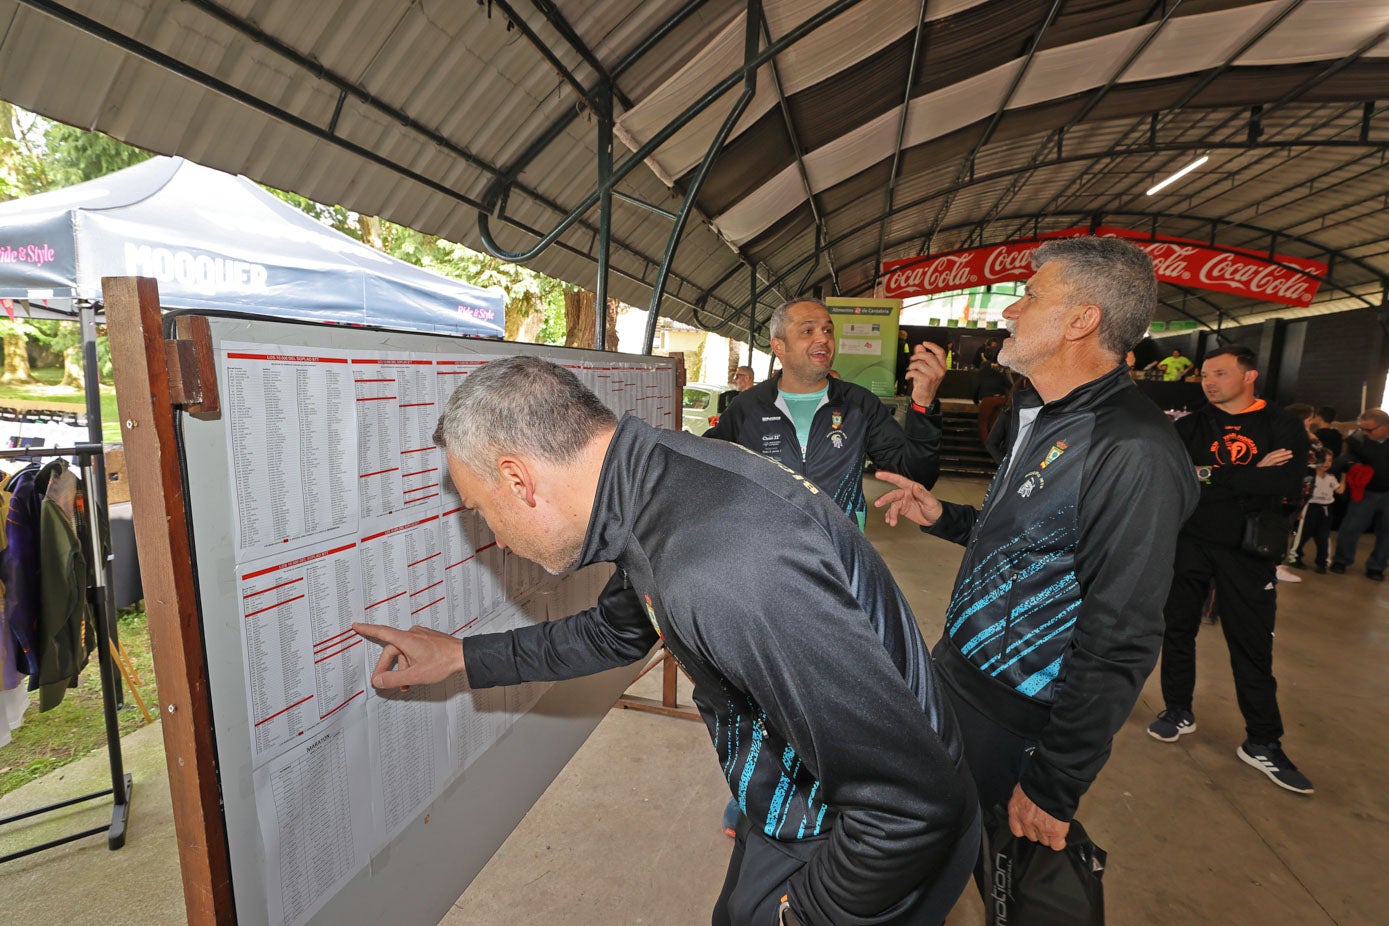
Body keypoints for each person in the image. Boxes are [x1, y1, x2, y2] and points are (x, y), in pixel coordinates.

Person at [354, 356, 979, 926]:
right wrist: (462, 656)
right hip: (797, 805)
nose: (494, 535)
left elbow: (909, 806)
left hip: (859, 840)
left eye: (481, 509)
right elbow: (617, 630)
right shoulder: (657, 487)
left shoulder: (724, 565)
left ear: (518, 479)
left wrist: (804, 914)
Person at [873, 237, 1198, 873]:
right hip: (960, 676)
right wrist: (945, 517)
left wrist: (1055, 781)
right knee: (927, 855)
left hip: (1017, 717)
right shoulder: (1046, 413)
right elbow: (1031, 539)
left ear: (1082, 320)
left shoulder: (1132, 449)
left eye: (1029, 296)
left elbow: (1122, 634)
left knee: (951, 868)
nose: (1008, 311)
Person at [1149, 344, 1314, 794]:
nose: (1209, 381)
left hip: (1249, 549)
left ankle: (1262, 740)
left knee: (1252, 644)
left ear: (1249, 376)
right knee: (1177, 628)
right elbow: (1177, 479)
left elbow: (1285, 482)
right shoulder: (1191, 425)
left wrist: (1211, 474)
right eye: (1205, 374)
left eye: (1220, 373)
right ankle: (1177, 709)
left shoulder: (1281, 424)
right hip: (1190, 542)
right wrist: (1242, 473)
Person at [706, 298, 946, 530]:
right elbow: (706, 467)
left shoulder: (859, 405)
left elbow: (915, 478)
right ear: (779, 346)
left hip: (839, 551)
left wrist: (923, 406)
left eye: (828, 330)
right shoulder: (748, 406)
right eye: (808, 331)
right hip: (766, 549)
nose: (823, 338)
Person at [1330, 407, 1389, 580]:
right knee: (1350, 528)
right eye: (1362, 428)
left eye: (1368, 429)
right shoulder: (1358, 439)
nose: (1364, 432)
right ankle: (1341, 560)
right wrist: (1351, 465)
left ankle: (1376, 567)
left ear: (1385, 426)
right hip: (1364, 492)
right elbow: (1342, 460)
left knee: (1387, 533)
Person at [1292, 447, 1340, 573]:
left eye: (1330, 461)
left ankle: (1322, 563)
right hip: (1310, 507)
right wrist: (1299, 510)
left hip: (1326, 510)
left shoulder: (1331, 477)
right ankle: (1295, 557)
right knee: (1303, 534)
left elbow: (1340, 490)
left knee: (1323, 537)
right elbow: (1303, 494)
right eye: (1324, 460)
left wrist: (1345, 475)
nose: (1326, 463)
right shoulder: (1309, 476)